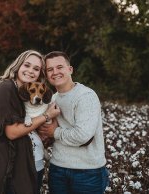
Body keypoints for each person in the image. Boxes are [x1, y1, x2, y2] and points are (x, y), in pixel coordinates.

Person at [0, 50, 60, 194]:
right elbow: (12, 132)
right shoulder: (6, 88)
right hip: (13, 171)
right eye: (27, 65)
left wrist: (51, 126)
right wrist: (46, 116)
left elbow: (35, 127)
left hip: (31, 166)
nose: (31, 71)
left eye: (36, 69)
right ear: (18, 65)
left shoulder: (23, 93)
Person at [39, 51, 109, 194]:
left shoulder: (85, 96)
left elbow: (83, 136)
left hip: (87, 172)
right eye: (50, 69)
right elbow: (48, 133)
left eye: (60, 67)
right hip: (58, 169)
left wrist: (54, 132)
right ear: (46, 75)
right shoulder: (52, 99)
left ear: (70, 69)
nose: (55, 72)